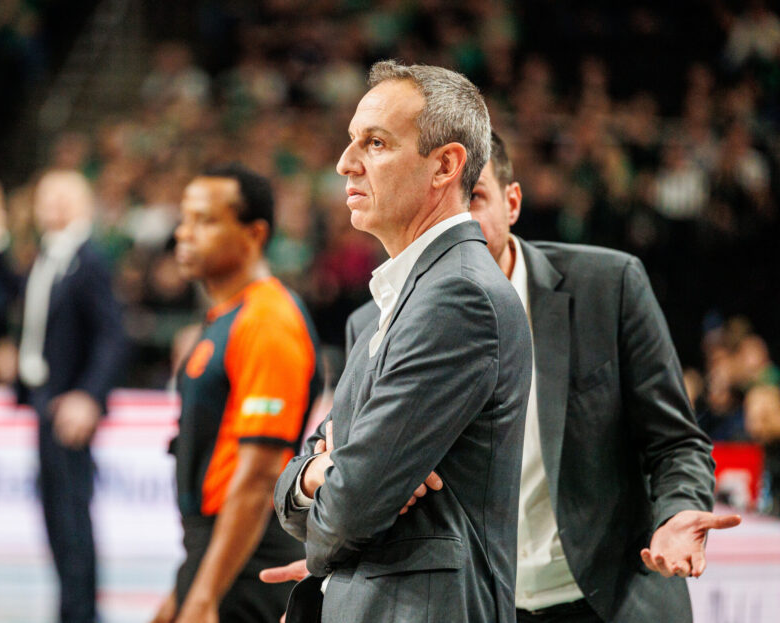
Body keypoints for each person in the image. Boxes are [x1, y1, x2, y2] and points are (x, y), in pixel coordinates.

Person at [264, 132, 739, 622]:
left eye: (474, 197)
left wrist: (678, 512)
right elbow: (343, 468)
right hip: (486, 606)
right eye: (443, 201)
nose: (457, 218)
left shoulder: (608, 286)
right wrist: (345, 571)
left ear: (512, 203)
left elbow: (675, 440)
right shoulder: (372, 320)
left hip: (613, 599)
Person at [272, 62, 532, 623]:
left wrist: (339, 481)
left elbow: (347, 515)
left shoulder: (457, 297)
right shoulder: (397, 298)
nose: (345, 163)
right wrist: (319, 473)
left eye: (376, 143)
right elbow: (320, 479)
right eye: (352, 140)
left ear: (445, 165)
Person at [151, 164, 323, 623]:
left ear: (254, 234)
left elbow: (259, 477)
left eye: (205, 220)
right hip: (217, 550)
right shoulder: (229, 316)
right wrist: (186, 587)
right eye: (184, 218)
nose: (184, 233)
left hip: (249, 561)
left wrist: (205, 594)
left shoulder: (267, 322)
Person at [0, 169, 127, 623]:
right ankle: (72, 610)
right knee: (57, 517)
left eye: (61, 195)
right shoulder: (51, 256)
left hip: (66, 407)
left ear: (83, 204)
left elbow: (113, 336)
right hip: (45, 400)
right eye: (45, 195)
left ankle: (81, 613)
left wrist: (88, 396)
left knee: (71, 517)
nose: (50, 204)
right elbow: (24, 299)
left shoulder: (89, 260)